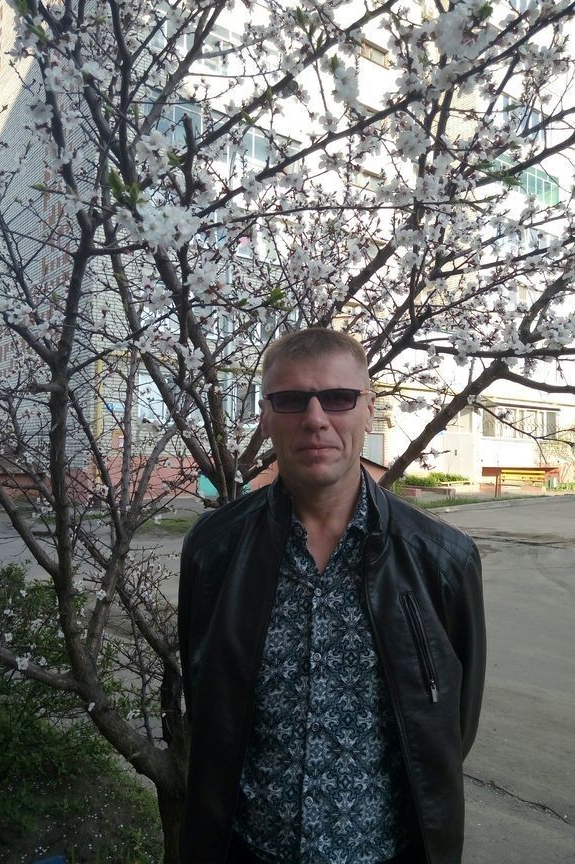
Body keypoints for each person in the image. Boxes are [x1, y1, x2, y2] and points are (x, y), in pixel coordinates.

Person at [178, 328, 486, 864]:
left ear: (368, 411)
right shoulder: (214, 549)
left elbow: (452, 725)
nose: (315, 419)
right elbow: (206, 696)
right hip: (247, 850)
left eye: (339, 398)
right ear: (265, 416)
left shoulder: (443, 560)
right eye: (291, 400)